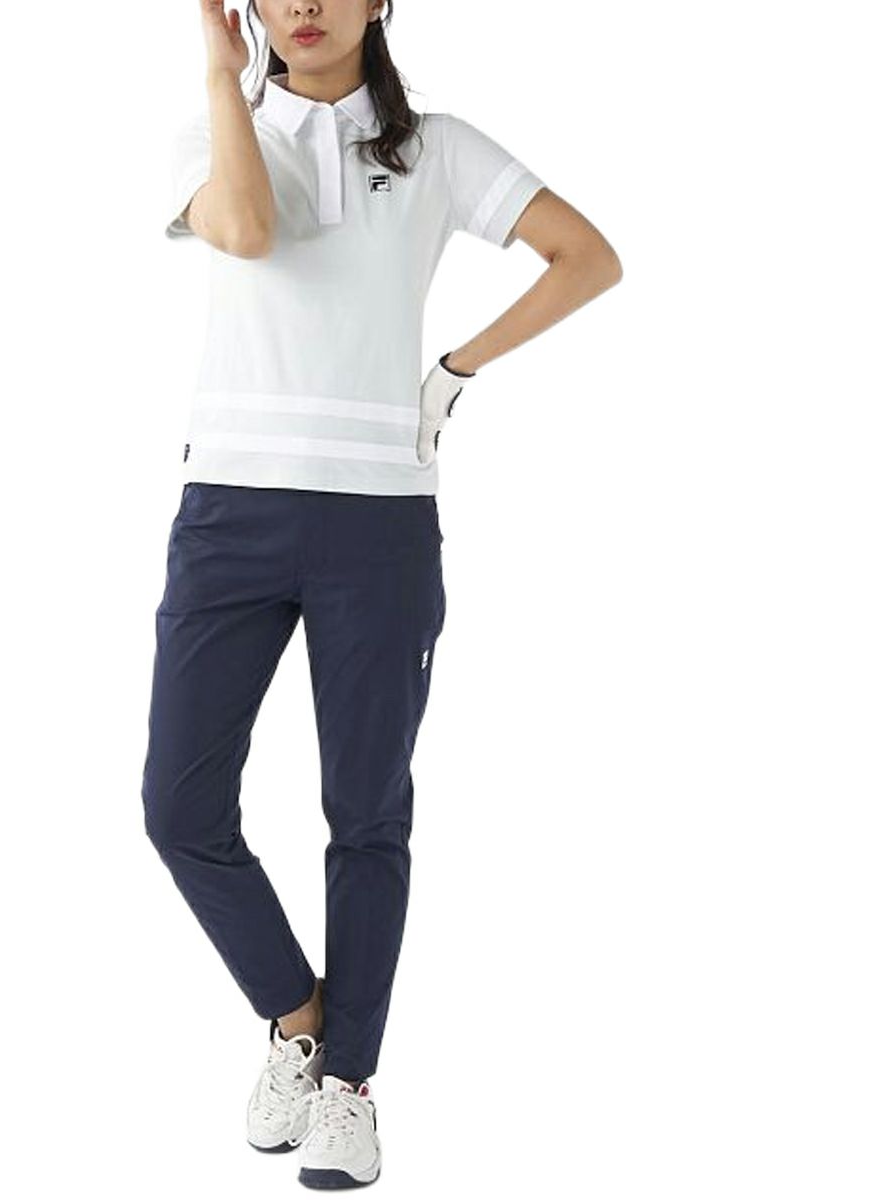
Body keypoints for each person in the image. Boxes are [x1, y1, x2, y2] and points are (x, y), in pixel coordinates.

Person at [142, 0, 622, 1188]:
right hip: (230, 514)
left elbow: (589, 256)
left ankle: (350, 1086)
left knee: (367, 815)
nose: (304, 6)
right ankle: (299, 1022)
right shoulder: (214, 132)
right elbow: (247, 231)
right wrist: (222, 76)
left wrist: (456, 368)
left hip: (377, 522)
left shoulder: (438, 147)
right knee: (179, 809)